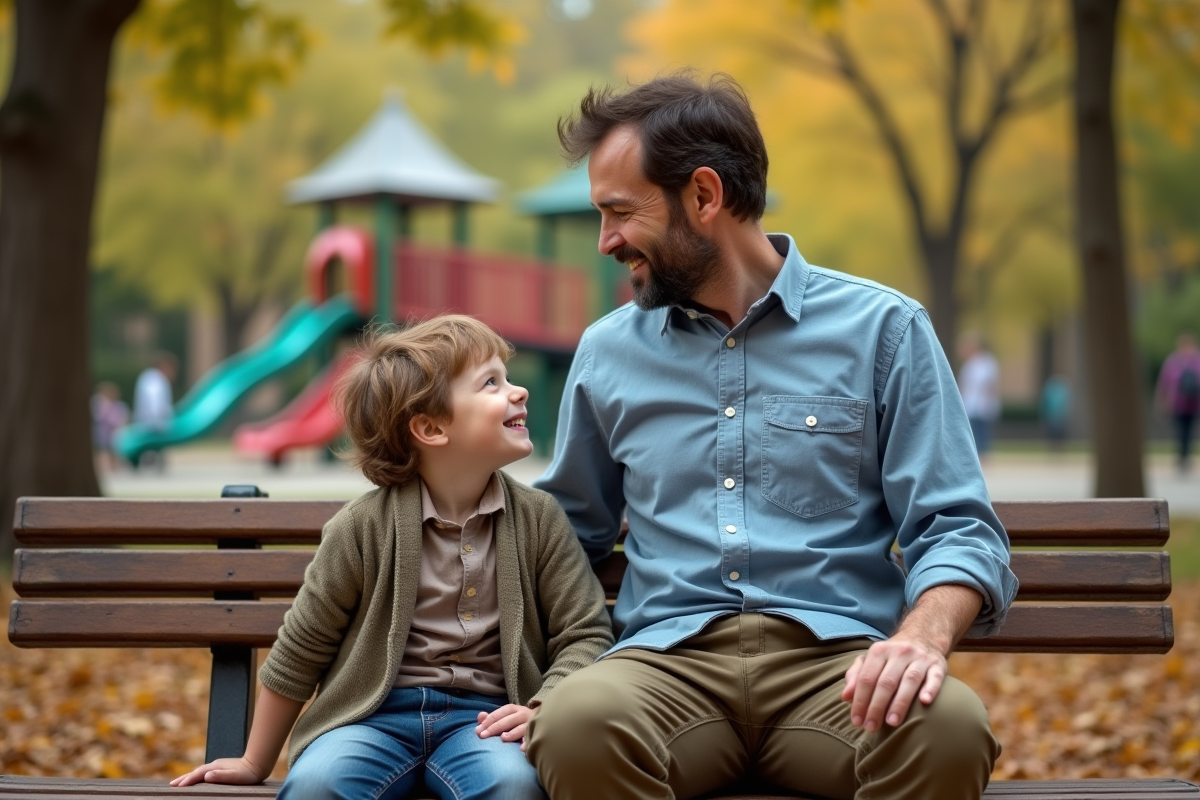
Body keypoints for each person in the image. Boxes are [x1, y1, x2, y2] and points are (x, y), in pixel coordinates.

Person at [524, 74, 1017, 800]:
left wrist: (921, 639)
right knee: (574, 726)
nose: (606, 241)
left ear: (703, 196)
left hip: (840, 670)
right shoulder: (606, 353)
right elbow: (565, 536)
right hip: (663, 670)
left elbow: (957, 527)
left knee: (947, 729)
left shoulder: (885, 330)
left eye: (620, 213)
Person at [171, 316, 613, 799]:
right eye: (491, 383)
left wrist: (543, 704)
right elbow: (301, 650)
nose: (519, 391)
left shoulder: (539, 519)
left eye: (507, 376)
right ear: (430, 427)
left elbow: (584, 631)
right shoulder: (361, 528)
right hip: (370, 717)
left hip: (486, 723)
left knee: (513, 786)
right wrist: (255, 762)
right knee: (317, 785)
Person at [1155, 332, 1200, 473]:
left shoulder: (1195, 360)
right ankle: (1182, 457)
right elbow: (1164, 383)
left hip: (1194, 403)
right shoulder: (1173, 361)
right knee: (1181, 431)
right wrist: (1162, 401)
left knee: (1188, 431)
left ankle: (1185, 457)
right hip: (1178, 404)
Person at [957, 335, 1001, 458]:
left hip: (982, 404)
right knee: (972, 431)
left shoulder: (986, 362)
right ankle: (975, 454)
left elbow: (990, 384)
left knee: (982, 431)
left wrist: (989, 402)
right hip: (970, 403)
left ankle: (983, 455)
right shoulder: (969, 364)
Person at [132, 352, 177, 468]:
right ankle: (152, 463)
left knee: (153, 446)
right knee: (154, 444)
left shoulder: (147, 377)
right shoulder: (157, 379)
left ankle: (152, 462)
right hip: (153, 421)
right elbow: (155, 400)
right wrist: (159, 419)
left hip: (146, 420)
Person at [90, 381, 129, 471]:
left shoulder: (119, 405)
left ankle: (113, 468)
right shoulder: (99, 403)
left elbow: (121, 419)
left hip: (113, 435)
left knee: (111, 452)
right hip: (101, 434)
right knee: (100, 452)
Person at [1040, 374, 1071, 453]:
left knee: (1059, 432)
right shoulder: (1051, 387)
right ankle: (1053, 448)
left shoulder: (1061, 388)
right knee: (1053, 432)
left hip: (1059, 415)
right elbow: (1045, 401)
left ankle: (1059, 448)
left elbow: (1066, 402)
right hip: (1053, 414)